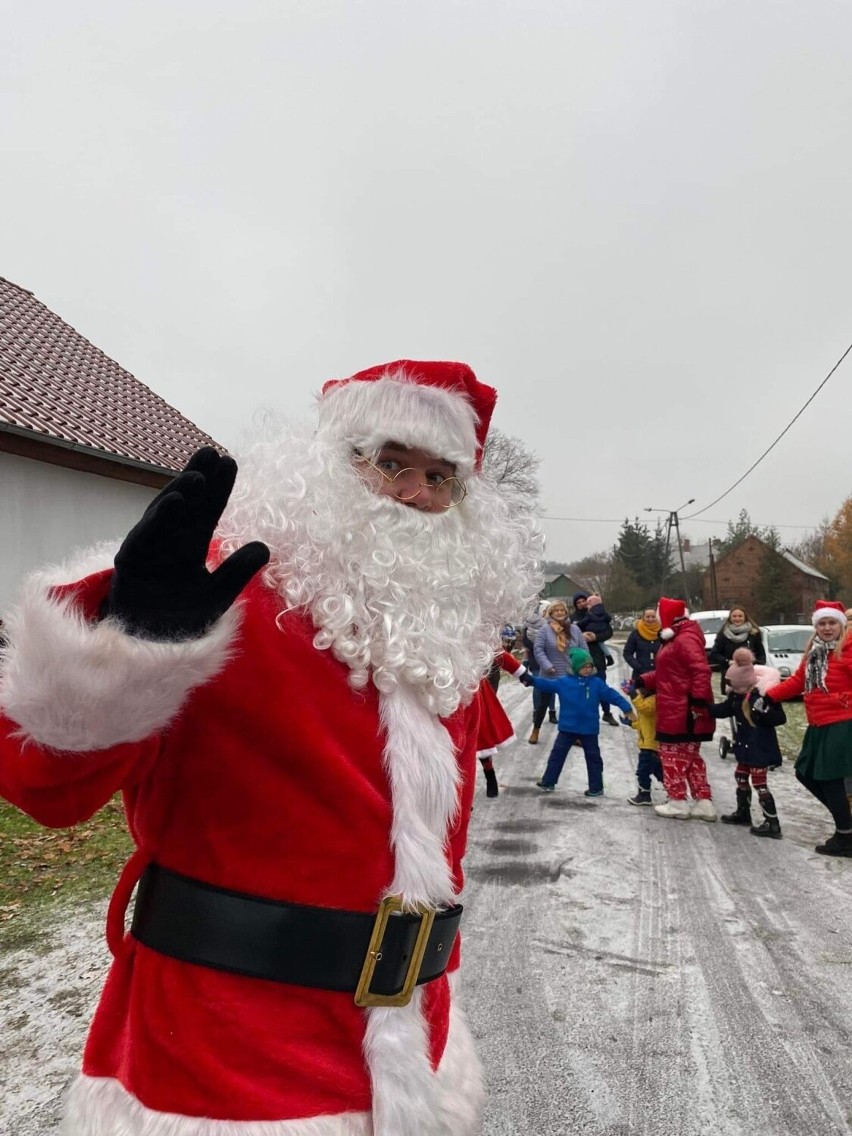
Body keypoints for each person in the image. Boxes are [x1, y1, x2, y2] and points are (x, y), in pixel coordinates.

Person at [0, 360, 542, 1136]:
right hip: (225, 1056)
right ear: (331, 462)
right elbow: (43, 783)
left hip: (412, 1042)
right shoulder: (214, 592)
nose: (417, 494)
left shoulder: (438, 636)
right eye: (390, 462)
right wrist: (132, 642)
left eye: (440, 477)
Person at [762, 601, 852, 857]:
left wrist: (843, 699)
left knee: (830, 778)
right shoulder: (815, 650)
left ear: (841, 625)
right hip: (819, 722)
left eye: (832, 623)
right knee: (806, 773)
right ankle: (847, 823)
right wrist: (769, 697)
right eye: (822, 623)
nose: (827, 628)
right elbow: (797, 681)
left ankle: (845, 836)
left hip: (842, 722)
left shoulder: (848, 648)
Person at [637, 598, 718, 821]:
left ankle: (677, 801)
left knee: (672, 756)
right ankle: (703, 802)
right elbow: (671, 673)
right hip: (680, 707)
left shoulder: (684, 638)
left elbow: (700, 671)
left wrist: (699, 701)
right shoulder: (678, 637)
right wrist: (643, 680)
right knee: (691, 757)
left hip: (683, 710)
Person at [522, 647, 634, 795]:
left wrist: (626, 708)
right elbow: (546, 684)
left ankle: (596, 787)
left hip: (589, 729)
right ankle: (548, 781)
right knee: (557, 754)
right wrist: (530, 680)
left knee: (593, 758)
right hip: (567, 728)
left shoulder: (596, 683)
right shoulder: (564, 682)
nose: (587, 669)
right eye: (583, 667)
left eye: (589, 666)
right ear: (575, 667)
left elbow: (612, 695)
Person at [712, 648, 785, 838]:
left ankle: (772, 822)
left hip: (760, 747)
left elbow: (779, 718)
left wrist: (763, 711)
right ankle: (743, 812)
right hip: (744, 746)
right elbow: (723, 710)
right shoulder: (736, 697)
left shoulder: (762, 697)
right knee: (741, 777)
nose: (732, 688)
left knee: (760, 783)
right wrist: (704, 708)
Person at [528, 599, 584, 744]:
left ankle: (573, 734)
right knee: (543, 704)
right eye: (556, 610)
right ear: (551, 613)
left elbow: (583, 649)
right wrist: (547, 666)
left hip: (570, 673)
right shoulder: (544, 630)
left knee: (571, 705)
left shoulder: (575, 630)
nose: (559, 613)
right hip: (550, 674)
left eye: (562, 610)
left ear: (566, 612)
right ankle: (536, 730)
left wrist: (582, 666)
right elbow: (538, 650)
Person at [476, 649, 528, 798]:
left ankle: (489, 774)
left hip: (475, 689)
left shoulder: (473, 631)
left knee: (481, 738)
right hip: (439, 694)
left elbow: (494, 650)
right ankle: (459, 796)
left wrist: (520, 672)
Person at [570, 590, 617, 725]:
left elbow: (609, 632)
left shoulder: (598, 614)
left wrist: (596, 637)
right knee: (582, 689)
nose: (581, 604)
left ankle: (607, 713)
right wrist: (582, 637)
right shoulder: (573, 618)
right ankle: (585, 716)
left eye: (583, 601)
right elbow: (569, 636)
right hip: (581, 658)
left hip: (597, 656)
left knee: (601, 686)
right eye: (578, 602)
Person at [709, 605, 765, 692]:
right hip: (730, 677)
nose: (737, 618)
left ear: (745, 617)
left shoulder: (753, 633)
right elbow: (714, 654)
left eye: (740, 616)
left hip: (750, 677)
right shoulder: (723, 634)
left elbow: (761, 655)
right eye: (734, 616)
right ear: (730, 618)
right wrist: (728, 662)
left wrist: (753, 663)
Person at [626, 681, 664, 806]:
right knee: (658, 770)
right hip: (647, 743)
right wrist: (631, 723)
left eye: (640, 690)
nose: (639, 692)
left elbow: (645, 709)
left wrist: (634, 697)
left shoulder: (654, 700)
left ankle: (644, 794)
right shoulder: (648, 699)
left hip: (651, 744)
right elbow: (644, 722)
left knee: (643, 771)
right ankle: (673, 791)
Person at [622, 607, 662, 681]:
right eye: (647, 617)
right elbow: (627, 653)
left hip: (661, 675)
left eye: (653, 617)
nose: (650, 619)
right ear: (643, 617)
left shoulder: (663, 633)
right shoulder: (636, 634)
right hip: (640, 676)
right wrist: (638, 667)